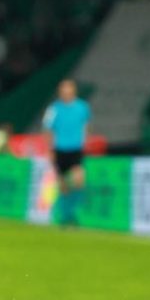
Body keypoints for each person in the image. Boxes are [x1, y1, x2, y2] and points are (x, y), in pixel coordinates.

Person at [42, 79, 91, 226]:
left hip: (76, 148)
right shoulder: (53, 109)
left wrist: (85, 141)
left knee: (79, 179)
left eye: (68, 90)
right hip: (59, 149)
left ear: (73, 91)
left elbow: (86, 126)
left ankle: (74, 213)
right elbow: (47, 129)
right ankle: (65, 216)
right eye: (63, 91)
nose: (66, 93)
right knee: (63, 184)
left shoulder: (82, 107)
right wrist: (50, 149)